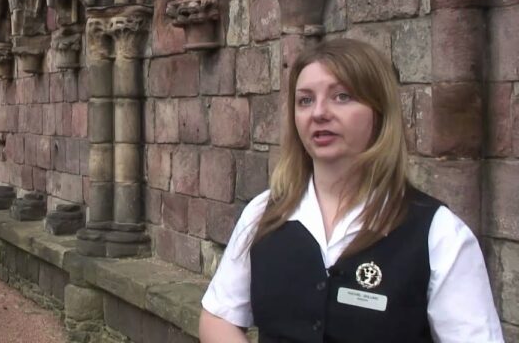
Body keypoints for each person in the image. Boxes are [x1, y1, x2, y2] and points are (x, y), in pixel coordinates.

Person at [199, 39, 503, 343]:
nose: (319, 113)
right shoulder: (264, 214)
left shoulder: (438, 233)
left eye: (342, 97)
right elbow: (218, 316)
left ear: (379, 111)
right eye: (305, 100)